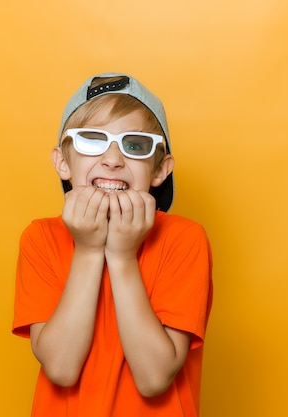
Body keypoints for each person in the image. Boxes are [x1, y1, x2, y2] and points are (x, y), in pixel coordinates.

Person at [12, 72, 213, 417]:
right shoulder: (40, 238)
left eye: (135, 145)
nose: (113, 159)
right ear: (62, 162)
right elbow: (60, 368)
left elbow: (154, 377)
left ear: (160, 170)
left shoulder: (185, 239)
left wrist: (121, 256)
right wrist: (89, 251)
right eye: (92, 140)